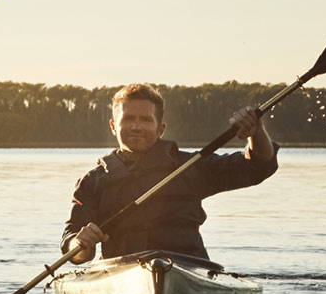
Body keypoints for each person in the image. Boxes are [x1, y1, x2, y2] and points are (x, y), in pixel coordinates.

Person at [63, 83, 277, 264]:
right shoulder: (92, 182)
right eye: (128, 119)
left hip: (188, 271)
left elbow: (257, 167)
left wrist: (256, 133)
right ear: (113, 126)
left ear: (160, 129)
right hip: (122, 277)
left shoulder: (191, 166)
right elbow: (75, 251)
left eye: (146, 120)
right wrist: (80, 243)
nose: (136, 126)